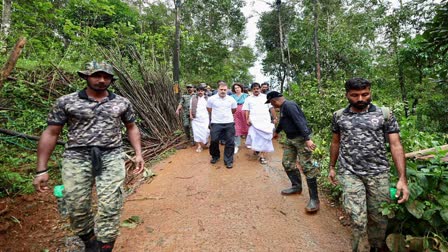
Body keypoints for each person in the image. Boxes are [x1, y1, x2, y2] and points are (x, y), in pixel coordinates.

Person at [32, 61, 145, 252]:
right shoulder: (66, 102)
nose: (102, 80)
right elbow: (51, 133)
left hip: (111, 155)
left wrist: (138, 153)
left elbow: (131, 127)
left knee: (111, 205)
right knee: (76, 207)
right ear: (85, 77)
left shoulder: (122, 102)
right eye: (96, 76)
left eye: (106, 77)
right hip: (77, 157)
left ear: (111, 80)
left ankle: (105, 245)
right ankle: (89, 240)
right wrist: (41, 169)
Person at [328, 77, 409, 252]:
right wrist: (332, 167)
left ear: (370, 92)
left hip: (378, 173)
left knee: (379, 219)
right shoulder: (339, 116)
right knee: (357, 219)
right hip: (350, 172)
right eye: (354, 95)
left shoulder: (384, 114)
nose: (360, 99)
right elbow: (335, 142)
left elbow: (396, 145)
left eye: (365, 94)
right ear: (347, 95)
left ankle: (375, 247)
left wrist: (402, 178)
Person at [267, 91, 319, 213]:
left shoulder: (289, 105)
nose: (272, 106)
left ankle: (314, 200)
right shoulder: (284, 108)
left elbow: (300, 121)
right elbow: (283, 122)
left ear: (274, 101)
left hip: (301, 139)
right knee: (287, 163)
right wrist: (277, 131)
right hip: (290, 139)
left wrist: (307, 139)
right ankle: (296, 186)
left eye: (271, 103)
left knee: (307, 167)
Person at [243, 82, 276, 164]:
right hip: (254, 122)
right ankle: (257, 149)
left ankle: (262, 157)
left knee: (265, 139)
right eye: (254, 89)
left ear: (260, 89)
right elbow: (247, 110)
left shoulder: (266, 97)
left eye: (257, 88)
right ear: (252, 90)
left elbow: (271, 108)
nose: (256, 90)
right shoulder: (248, 99)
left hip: (265, 122)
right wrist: (247, 119)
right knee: (255, 138)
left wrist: (274, 118)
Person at [207, 80, 237, 168]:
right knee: (214, 140)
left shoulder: (231, 99)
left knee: (230, 141)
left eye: (224, 90)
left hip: (229, 123)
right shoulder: (211, 99)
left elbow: (233, 110)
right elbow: (209, 109)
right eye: (221, 89)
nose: (223, 91)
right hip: (216, 123)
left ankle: (228, 160)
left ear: (227, 90)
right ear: (218, 89)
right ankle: (215, 156)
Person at [190, 85, 210, 152]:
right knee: (196, 132)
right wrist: (190, 115)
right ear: (197, 91)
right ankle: (199, 146)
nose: (200, 92)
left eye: (201, 91)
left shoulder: (208, 99)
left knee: (206, 131)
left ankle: (206, 142)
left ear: (204, 91)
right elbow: (190, 108)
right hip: (195, 118)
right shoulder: (193, 98)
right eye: (199, 91)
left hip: (205, 118)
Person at [230, 82, 249, 154]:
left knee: (247, 127)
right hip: (235, 113)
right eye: (235, 88)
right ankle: (236, 145)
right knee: (236, 129)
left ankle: (248, 142)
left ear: (241, 88)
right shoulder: (232, 96)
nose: (237, 89)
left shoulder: (246, 96)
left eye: (238, 87)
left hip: (245, 113)